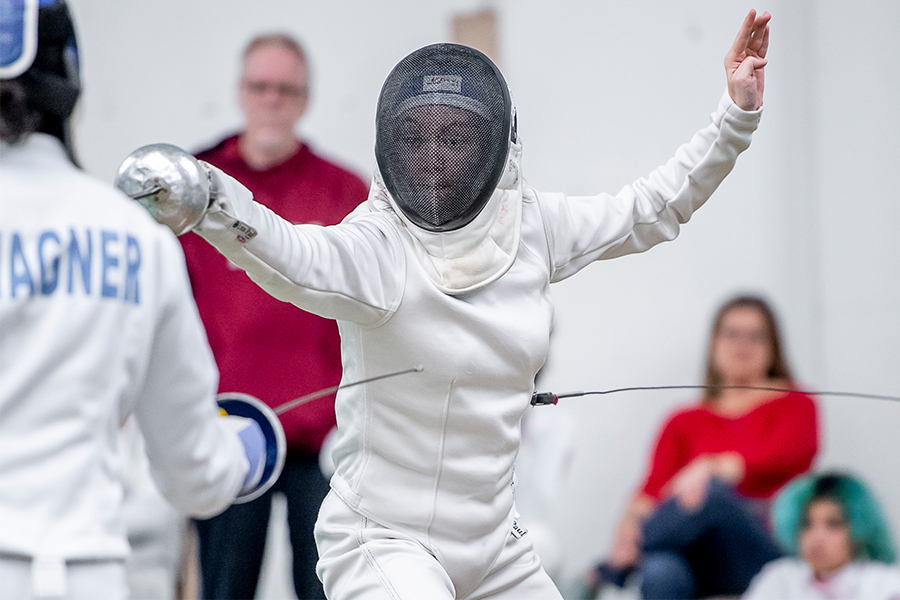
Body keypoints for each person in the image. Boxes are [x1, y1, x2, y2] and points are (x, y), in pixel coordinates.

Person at [132, 9, 771, 599]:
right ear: (394, 147)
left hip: (496, 547)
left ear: (494, 143)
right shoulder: (377, 245)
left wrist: (734, 118)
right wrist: (209, 195)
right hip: (383, 541)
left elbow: (653, 208)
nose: (436, 158)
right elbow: (287, 252)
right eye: (419, 137)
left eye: (456, 136)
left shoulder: (532, 225)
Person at [0, 1, 275, 597]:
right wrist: (249, 446)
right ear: (68, 79)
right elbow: (193, 473)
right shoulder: (134, 237)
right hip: (86, 576)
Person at [180, 33, 368, 600]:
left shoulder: (344, 192)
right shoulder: (198, 188)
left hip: (324, 437)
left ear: (304, 99)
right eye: (260, 87)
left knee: (328, 588)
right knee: (225, 587)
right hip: (228, 427)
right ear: (241, 92)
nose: (272, 100)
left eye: (286, 89)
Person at [589, 295, 819, 599]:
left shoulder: (795, 404)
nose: (742, 344)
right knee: (659, 571)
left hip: (758, 548)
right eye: (732, 334)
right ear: (714, 343)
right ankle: (631, 557)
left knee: (711, 491)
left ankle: (609, 572)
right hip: (693, 554)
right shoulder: (683, 420)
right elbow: (652, 489)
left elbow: (783, 458)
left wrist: (710, 468)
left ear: (772, 346)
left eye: (755, 336)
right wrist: (629, 523)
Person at [743, 471, 900, 600]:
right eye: (807, 524)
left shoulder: (882, 583)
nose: (817, 537)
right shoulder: (779, 578)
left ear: (860, 528)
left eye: (833, 524)